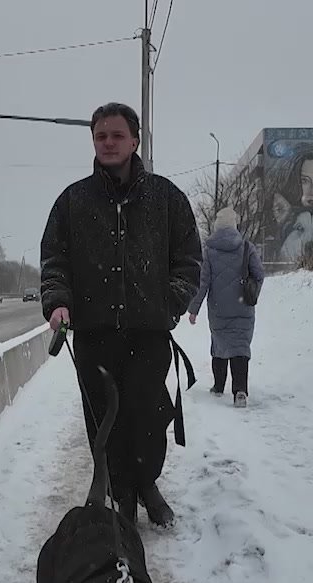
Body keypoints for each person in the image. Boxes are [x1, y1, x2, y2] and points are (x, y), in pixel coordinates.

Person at [40, 102, 202, 528]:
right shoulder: (73, 201)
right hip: (94, 335)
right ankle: (120, 497)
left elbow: (188, 260)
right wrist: (58, 301)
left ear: (134, 141)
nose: (108, 143)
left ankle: (146, 484)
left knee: (147, 417)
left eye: (116, 135)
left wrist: (170, 302)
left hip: (148, 335)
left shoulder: (166, 198)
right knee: (104, 421)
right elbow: (55, 260)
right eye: (100, 136)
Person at [187, 206, 264, 408]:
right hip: (243, 308)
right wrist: (252, 291)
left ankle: (218, 386)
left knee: (219, 346)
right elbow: (259, 274)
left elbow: (202, 282)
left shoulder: (209, 252)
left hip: (218, 309)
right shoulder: (247, 247)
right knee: (240, 348)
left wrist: (194, 309)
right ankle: (240, 391)